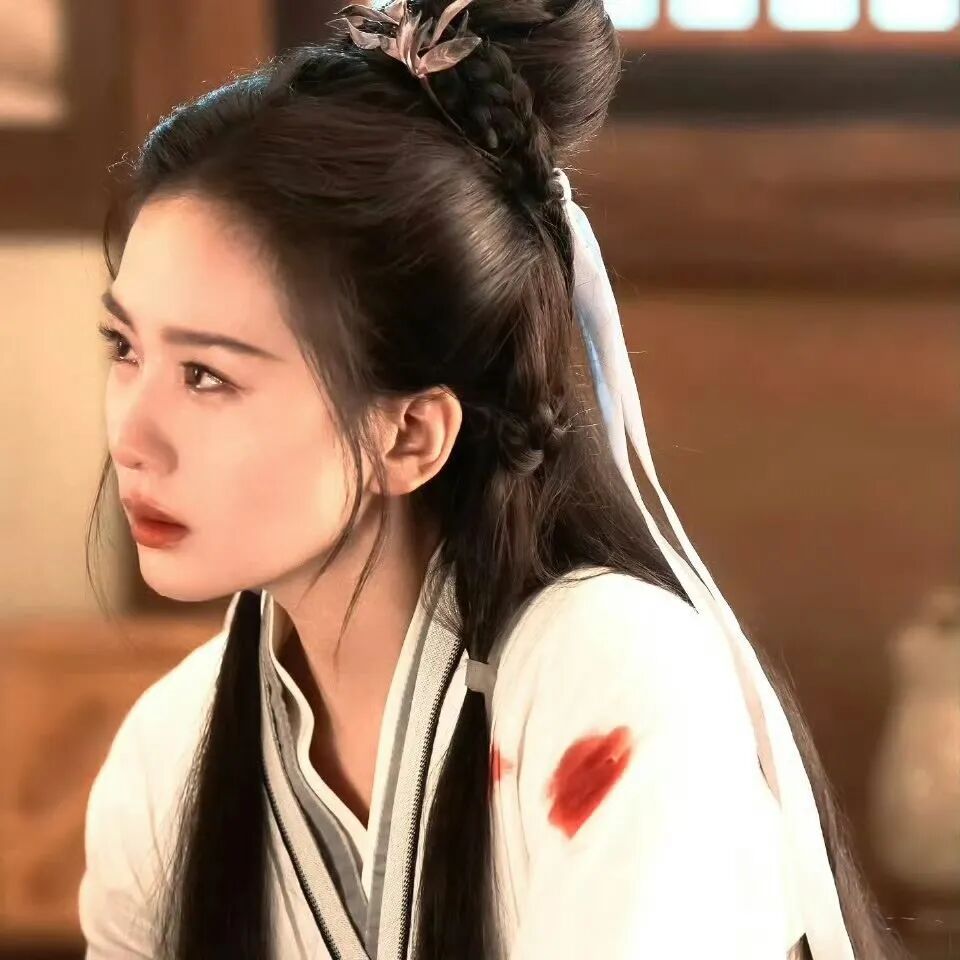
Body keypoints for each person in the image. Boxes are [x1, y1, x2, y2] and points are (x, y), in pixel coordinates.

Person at [77, 1, 909, 958]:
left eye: (207, 375)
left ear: (410, 434)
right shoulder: (169, 751)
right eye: (124, 348)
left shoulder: (612, 679)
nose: (130, 436)